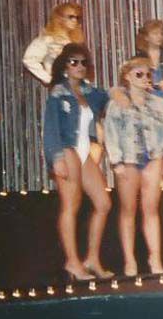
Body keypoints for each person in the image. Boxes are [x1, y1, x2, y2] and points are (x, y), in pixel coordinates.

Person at [42, 44, 113, 281]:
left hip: (84, 151)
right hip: (66, 148)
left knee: (103, 203)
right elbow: (50, 128)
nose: (79, 66)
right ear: (65, 65)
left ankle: (91, 258)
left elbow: (108, 98)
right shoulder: (58, 93)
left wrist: (119, 92)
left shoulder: (90, 92)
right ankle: (72, 262)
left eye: (83, 62)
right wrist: (56, 158)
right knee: (70, 205)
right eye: (74, 62)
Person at [103, 56, 163, 277]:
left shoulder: (159, 103)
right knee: (128, 210)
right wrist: (116, 161)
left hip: (153, 158)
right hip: (128, 160)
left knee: (151, 209)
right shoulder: (117, 103)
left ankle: (155, 259)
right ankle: (130, 261)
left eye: (148, 74)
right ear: (127, 76)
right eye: (139, 74)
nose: (145, 78)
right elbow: (110, 134)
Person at [23, 2, 85, 85]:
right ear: (60, 18)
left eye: (77, 17)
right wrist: (49, 79)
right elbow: (29, 59)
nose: (75, 20)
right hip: (62, 88)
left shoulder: (74, 40)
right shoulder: (48, 39)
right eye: (71, 17)